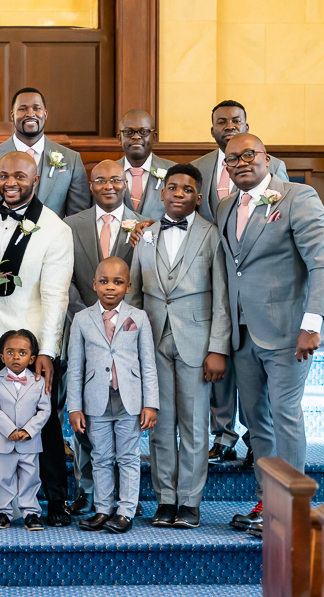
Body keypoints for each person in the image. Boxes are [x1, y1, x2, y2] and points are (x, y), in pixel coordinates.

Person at [217, 133, 324, 537]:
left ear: (267, 158)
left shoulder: (297, 197)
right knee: (257, 420)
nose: (241, 162)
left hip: (289, 332)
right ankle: (268, 500)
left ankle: (291, 507)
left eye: (249, 154)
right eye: (232, 159)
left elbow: (322, 264)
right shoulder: (224, 206)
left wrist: (312, 322)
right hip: (242, 332)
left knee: (285, 414)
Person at [0, 151, 74, 527]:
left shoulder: (56, 229)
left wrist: (46, 350)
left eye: (20, 177)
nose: (11, 182)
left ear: (36, 180)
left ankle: (57, 500)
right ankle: (0, 501)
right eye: (4, 176)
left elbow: (55, 296)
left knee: (43, 420)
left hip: (29, 341)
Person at [126, 163, 230, 529]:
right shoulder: (146, 234)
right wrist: (131, 347)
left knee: (194, 426)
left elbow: (221, 296)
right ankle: (165, 499)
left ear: (198, 197)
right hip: (153, 340)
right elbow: (135, 293)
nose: (178, 194)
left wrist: (218, 347)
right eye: (172, 188)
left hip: (197, 343)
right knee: (159, 424)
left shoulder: (212, 235)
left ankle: (189, 501)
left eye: (187, 189)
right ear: (162, 193)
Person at [190, 100, 289, 465]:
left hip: (257, 281)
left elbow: (279, 221)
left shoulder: (273, 166)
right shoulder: (199, 167)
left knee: (251, 366)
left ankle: (255, 436)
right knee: (220, 358)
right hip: (211, 274)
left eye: (236, 121)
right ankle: (223, 433)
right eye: (222, 122)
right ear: (212, 128)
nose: (229, 126)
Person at [63, 158, 150, 516]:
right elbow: (62, 276)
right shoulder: (70, 225)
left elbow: (144, 277)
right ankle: (89, 492)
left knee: (125, 438)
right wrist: (84, 316)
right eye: (100, 180)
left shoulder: (144, 226)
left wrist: (123, 316)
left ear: (126, 184)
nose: (109, 186)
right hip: (81, 325)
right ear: (91, 185)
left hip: (127, 333)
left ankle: (127, 503)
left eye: (116, 179)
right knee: (88, 413)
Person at [68, 257, 158, 534]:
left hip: (129, 401)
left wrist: (150, 404)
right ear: (94, 284)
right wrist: (74, 407)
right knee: (101, 457)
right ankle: (103, 509)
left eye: (118, 282)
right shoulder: (82, 320)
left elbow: (148, 363)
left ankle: (125, 511)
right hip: (96, 401)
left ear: (128, 286)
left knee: (129, 457)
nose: (110, 287)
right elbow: (75, 367)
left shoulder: (139, 318)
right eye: (104, 281)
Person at [0, 87, 90, 217]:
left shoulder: (71, 159)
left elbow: (78, 218)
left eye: (37, 108)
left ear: (45, 114)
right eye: (23, 109)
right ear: (12, 115)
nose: (30, 113)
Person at [0, 329, 51, 532]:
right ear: (2, 356)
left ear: (32, 358)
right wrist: (10, 430)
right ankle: (3, 511)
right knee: (4, 477)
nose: (16, 357)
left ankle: (31, 512)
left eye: (22, 353)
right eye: (10, 352)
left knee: (31, 477)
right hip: (4, 440)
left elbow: (44, 410)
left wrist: (29, 430)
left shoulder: (39, 382)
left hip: (29, 441)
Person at [116, 109, 176, 221]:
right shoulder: (107, 173)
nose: (136, 137)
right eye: (129, 132)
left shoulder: (174, 172)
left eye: (143, 132)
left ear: (154, 137)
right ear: (120, 138)